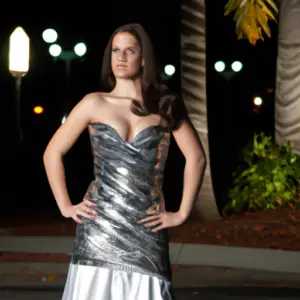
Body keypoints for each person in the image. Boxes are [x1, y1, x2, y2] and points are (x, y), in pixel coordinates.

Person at [43, 23, 206, 300]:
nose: (120, 57)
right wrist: (65, 206)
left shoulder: (165, 105)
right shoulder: (94, 103)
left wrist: (181, 213)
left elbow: (197, 158)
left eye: (129, 51)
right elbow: (52, 153)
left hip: (147, 228)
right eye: (115, 50)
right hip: (99, 227)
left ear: (143, 59)